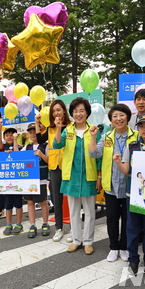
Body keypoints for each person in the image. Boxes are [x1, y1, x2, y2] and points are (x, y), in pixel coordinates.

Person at [90, 104, 138, 261]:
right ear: (111, 120)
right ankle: (113, 247)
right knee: (111, 217)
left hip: (130, 186)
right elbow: (94, 153)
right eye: (115, 116)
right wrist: (92, 137)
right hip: (110, 186)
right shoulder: (106, 137)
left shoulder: (136, 136)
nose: (118, 119)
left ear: (127, 117)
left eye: (121, 115)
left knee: (127, 218)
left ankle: (124, 246)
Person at [113, 112, 145, 275]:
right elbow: (126, 170)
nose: (144, 129)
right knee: (132, 228)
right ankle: (133, 258)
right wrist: (118, 162)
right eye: (141, 126)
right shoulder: (131, 146)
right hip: (132, 194)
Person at [54, 97, 101, 255]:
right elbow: (57, 144)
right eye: (75, 111)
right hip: (71, 176)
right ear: (72, 113)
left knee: (89, 212)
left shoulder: (94, 130)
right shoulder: (68, 130)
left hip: (89, 176)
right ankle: (76, 240)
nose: (78, 114)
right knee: (74, 211)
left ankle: (88, 241)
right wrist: (59, 129)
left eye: (82, 110)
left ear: (87, 112)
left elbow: (99, 156)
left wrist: (99, 177)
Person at [36, 99, 72, 242]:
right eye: (54, 110)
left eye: (59, 109)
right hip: (55, 167)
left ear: (64, 110)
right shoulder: (50, 128)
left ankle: (74, 229)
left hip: (69, 166)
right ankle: (59, 228)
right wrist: (37, 122)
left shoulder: (71, 126)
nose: (57, 113)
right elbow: (39, 140)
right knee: (56, 199)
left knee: (72, 198)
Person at [21, 123, 50, 238]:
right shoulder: (27, 147)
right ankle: (32, 224)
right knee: (30, 202)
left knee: (43, 201)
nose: (33, 134)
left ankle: (45, 223)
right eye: (30, 132)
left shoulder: (45, 145)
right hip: (29, 180)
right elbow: (17, 156)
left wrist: (41, 155)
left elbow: (49, 161)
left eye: (34, 132)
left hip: (41, 179)